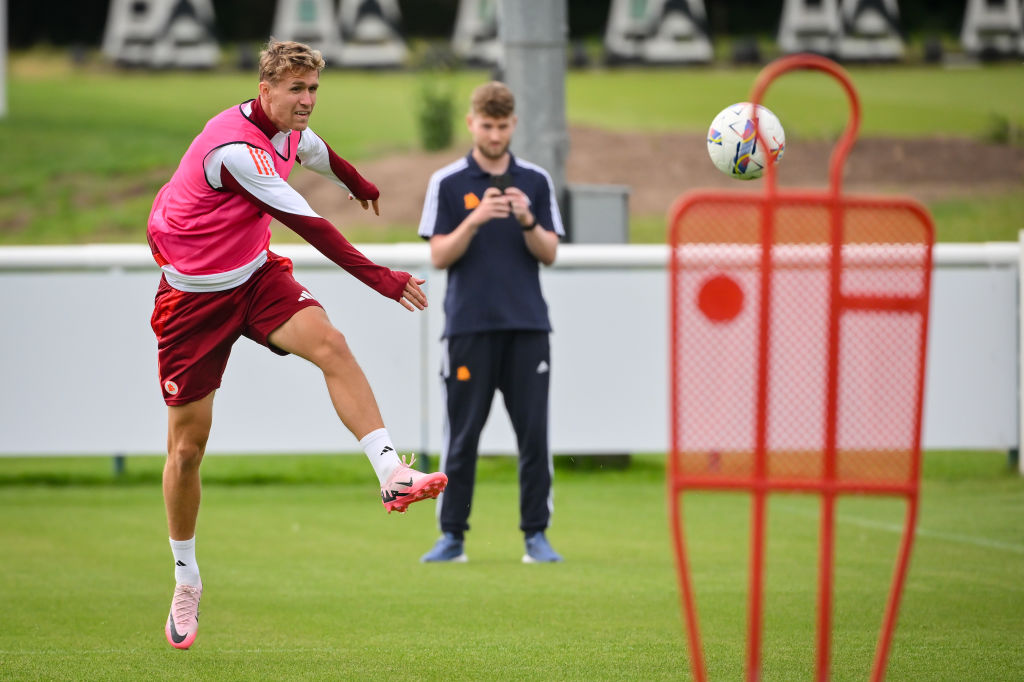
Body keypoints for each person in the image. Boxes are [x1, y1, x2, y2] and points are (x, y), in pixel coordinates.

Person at [148, 39, 447, 650]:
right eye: (296, 90)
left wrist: (358, 179)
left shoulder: (288, 129)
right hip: (192, 300)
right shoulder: (236, 151)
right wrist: (384, 280)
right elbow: (311, 226)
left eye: (313, 90)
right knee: (188, 447)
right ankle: (186, 577)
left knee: (331, 345)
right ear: (266, 91)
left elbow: (317, 152)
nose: (307, 101)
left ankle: (390, 472)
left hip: (255, 277)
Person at [417, 81, 565, 564]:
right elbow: (438, 255)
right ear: (471, 124)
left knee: (534, 436)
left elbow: (550, 253)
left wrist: (525, 219)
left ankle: (536, 538)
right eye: (487, 125)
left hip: (527, 327)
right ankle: (452, 538)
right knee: (461, 436)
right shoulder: (448, 181)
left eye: (502, 126)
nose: (495, 134)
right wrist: (476, 219)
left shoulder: (537, 181)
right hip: (467, 328)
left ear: (513, 125)